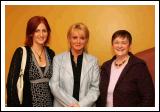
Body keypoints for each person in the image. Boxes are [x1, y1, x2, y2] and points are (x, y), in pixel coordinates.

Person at [96, 30, 155, 107]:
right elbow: (100, 96)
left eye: (124, 43)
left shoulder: (139, 66)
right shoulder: (105, 66)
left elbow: (149, 96)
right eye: (116, 42)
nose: (120, 46)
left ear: (129, 46)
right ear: (112, 45)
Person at [6, 16, 55, 107]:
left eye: (44, 31)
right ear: (31, 33)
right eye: (37, 31)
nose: (41, 34)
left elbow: (55, 84)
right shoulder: (21, 52)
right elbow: (11, 85)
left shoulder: (51, 54)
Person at [49, 23, 100, 107]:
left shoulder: (93, 61)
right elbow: (54, 86)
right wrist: (73, 105)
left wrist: (80, 105)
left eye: (82, 38)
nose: (78, 41)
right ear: (69, 38)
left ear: (86, 40)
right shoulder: (57, 59)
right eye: (74, 37)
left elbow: (95, 89)